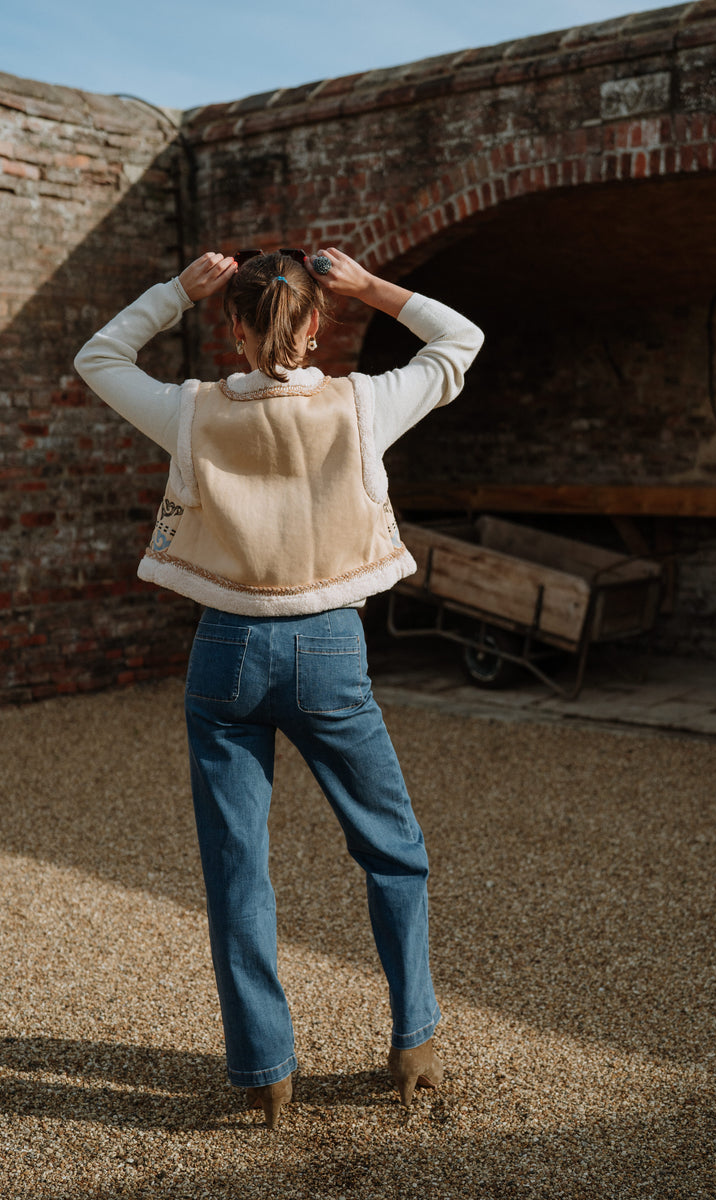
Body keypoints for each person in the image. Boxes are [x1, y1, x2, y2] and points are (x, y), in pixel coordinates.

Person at [74, 246, 483, 1127]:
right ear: (314, 325)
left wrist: (176, 292)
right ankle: (414, 1038)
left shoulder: (191, 412)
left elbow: (97, 359)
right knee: (392, 850)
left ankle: (267, 1070)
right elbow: (459, 340)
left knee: (236, 869)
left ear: (231, 324)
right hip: (331, 650)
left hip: (223, 653)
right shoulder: (363, 403)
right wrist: (371, 287)